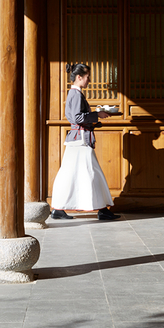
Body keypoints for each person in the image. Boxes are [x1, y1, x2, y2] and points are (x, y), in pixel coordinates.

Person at [50, 63, 120, 221]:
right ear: (79, 77)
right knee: (89, 172)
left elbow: (78, 117)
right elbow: (77, 118)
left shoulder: (75, 94)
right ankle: (101, 210)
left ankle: (61, 209)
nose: (89, 80)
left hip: (78, 140)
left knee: (81, 173)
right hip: (79, 141)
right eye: (87, 77)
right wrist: (97, 115)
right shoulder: (75, 94)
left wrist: (95, 118)